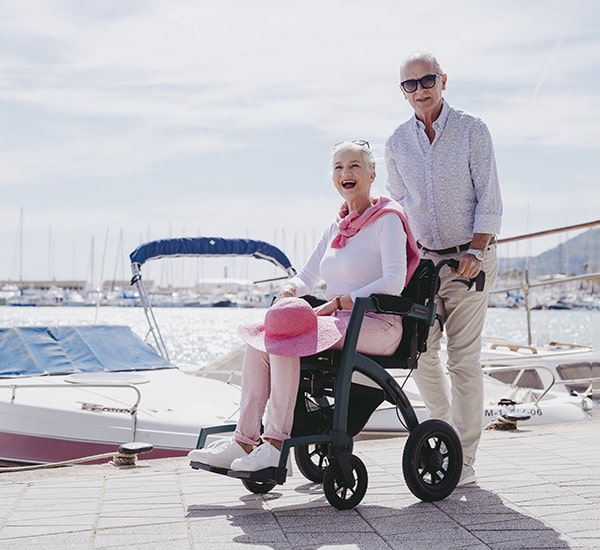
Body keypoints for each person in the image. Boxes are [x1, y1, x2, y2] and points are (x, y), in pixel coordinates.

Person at [189, 140, 420, 473]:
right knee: (264, 334)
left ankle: (274, 445)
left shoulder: (388, 220)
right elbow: (307, 276)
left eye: (355, 165)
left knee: (289, 336)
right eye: (339, 167)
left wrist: (341, 301)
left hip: (379, 324)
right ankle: (244, 439)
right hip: (340, 321)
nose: (346, 173)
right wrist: (288, 290)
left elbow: (394, 282)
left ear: (371, 173)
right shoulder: (336, 228)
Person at [385, 50, 503, 486]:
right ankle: (444, 432)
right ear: (403, 91)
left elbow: (489, 198)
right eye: (410, 84)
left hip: (471, 259)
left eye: (427, 80)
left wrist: (475, 251)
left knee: (464, 360)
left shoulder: (473, 130)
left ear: (444, 80)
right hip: (426, 263)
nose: (420, 90)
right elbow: (400, 207)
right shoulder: (397, 142)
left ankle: (465, 459)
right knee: (421, 352)